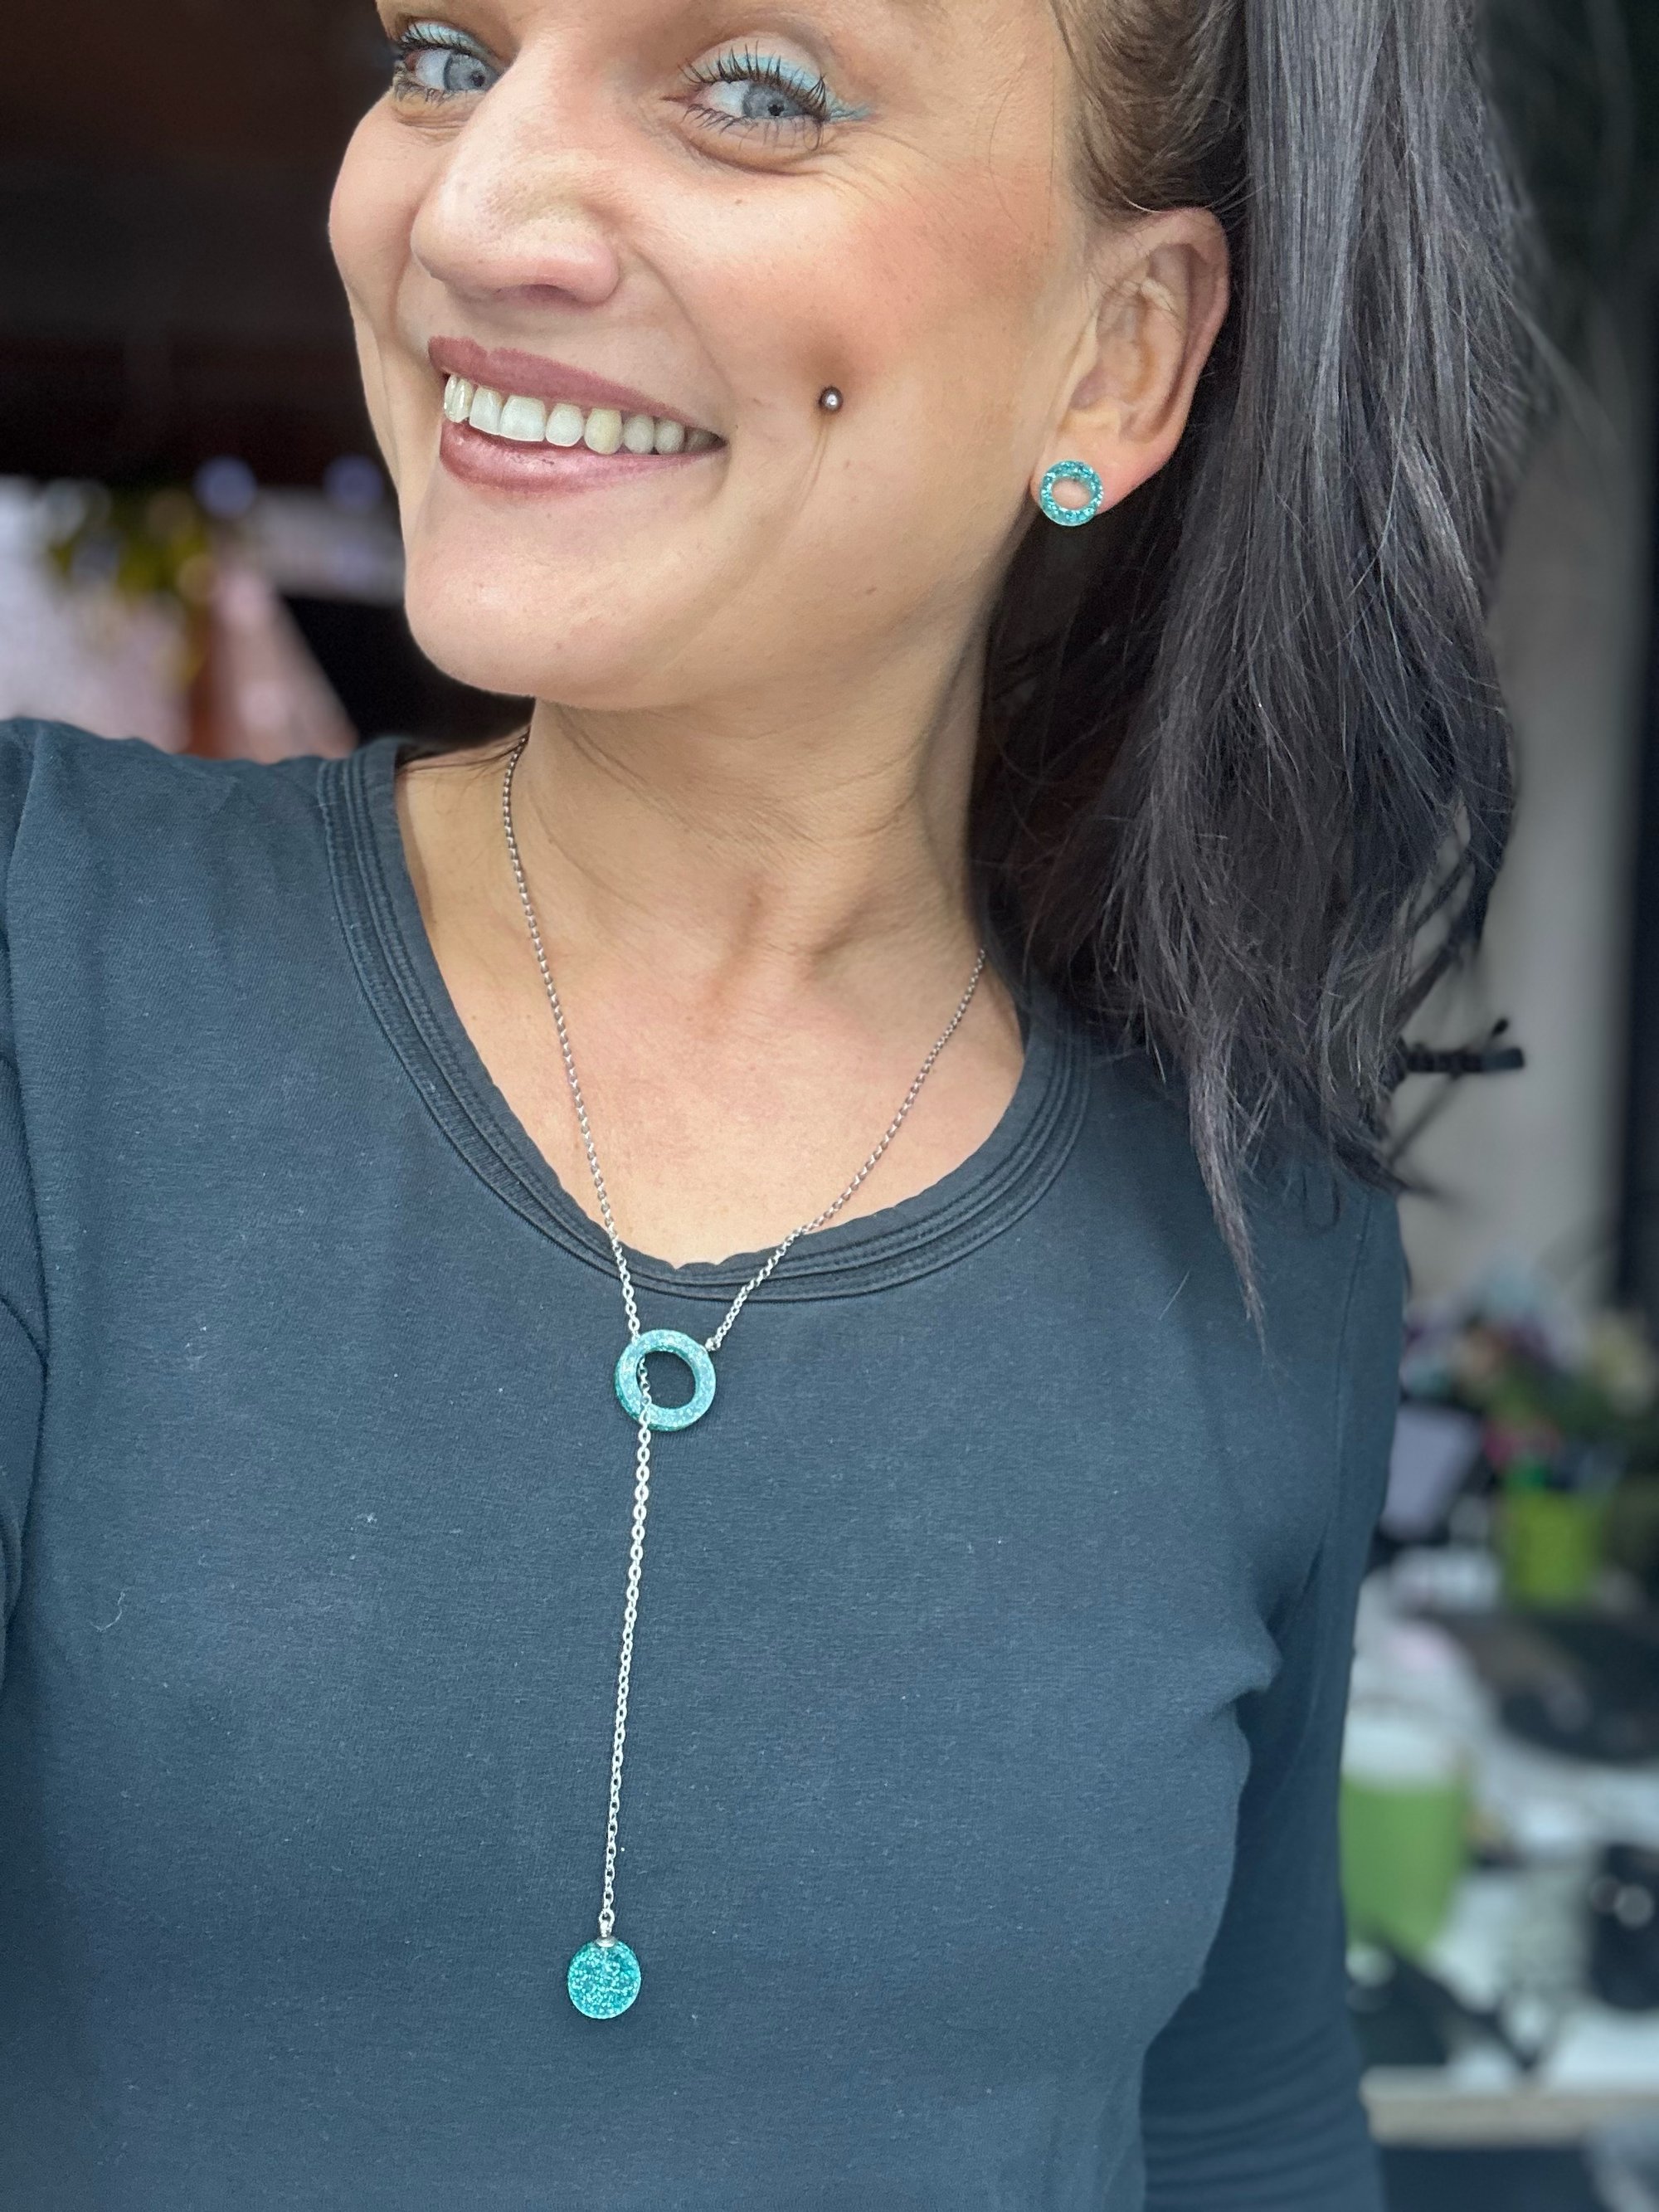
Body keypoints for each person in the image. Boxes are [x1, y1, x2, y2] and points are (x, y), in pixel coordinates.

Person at [0, 1, 1534, 2205]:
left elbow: (1240, 2116)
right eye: (444, 52)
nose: (474, 213)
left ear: (1117, 358)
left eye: (755, 91)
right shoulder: (51, 967)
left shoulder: (1256, 1226)